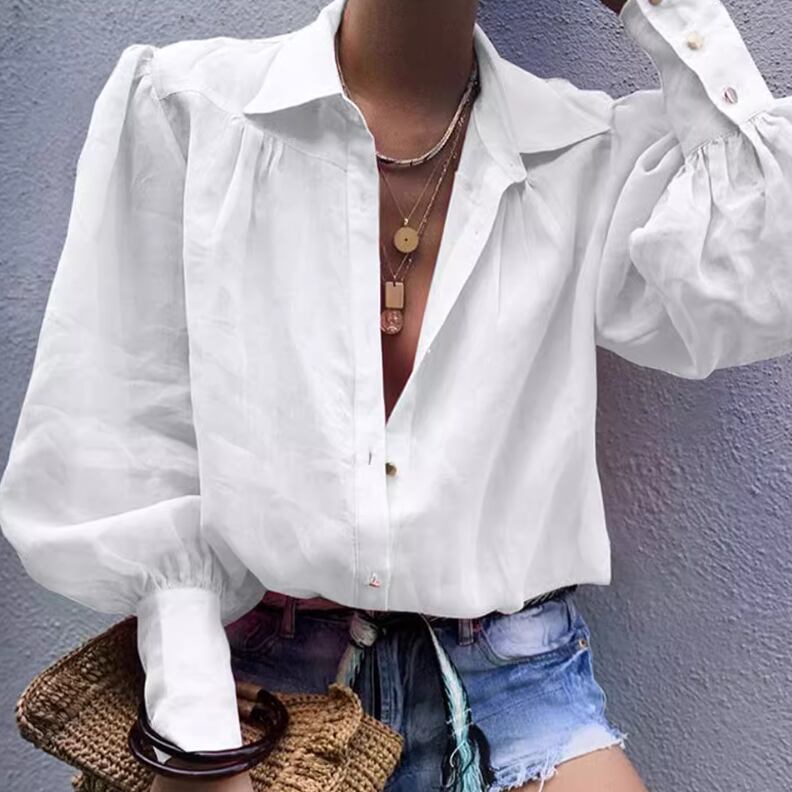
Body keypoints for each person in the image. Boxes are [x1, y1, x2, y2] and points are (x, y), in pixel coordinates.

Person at [1, 0, 791, 789]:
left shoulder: (585, 151)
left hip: (513, 681)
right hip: (255, 687)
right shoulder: (191, 107)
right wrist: (197, 738)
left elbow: (763, 281)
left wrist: (668, 7)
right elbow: (135, 439)